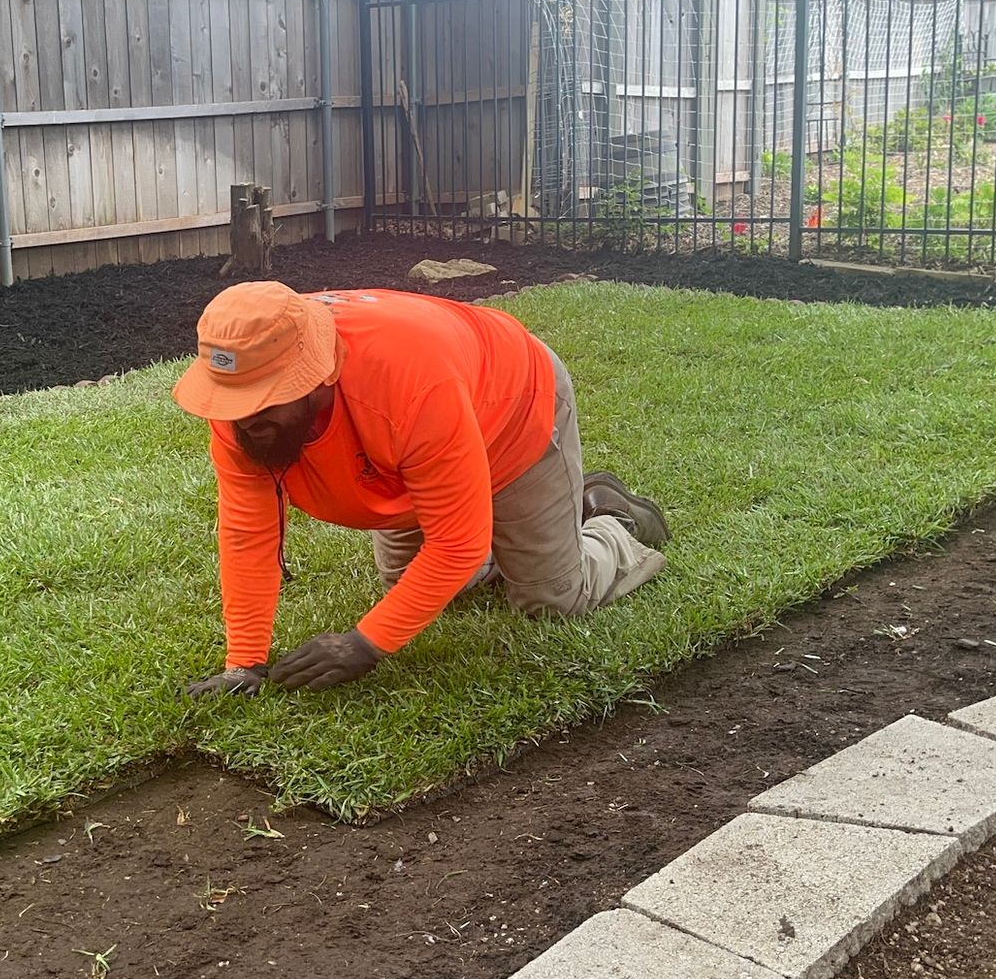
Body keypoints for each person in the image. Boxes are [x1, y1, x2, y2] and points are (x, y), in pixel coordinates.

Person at [173, 281, 670, 694]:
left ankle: (612, 519)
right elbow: (247, 533)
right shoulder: (240, 411)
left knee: (552, 601)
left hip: (511, 411)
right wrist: (244, 662)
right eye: (236, 403)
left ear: (318, 375)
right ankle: (509, 531)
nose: (247, 421)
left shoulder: (407, 383)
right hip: (418, 454)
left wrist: (364, 644)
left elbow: (456, 545)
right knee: (414, 590)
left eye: (267, 401)